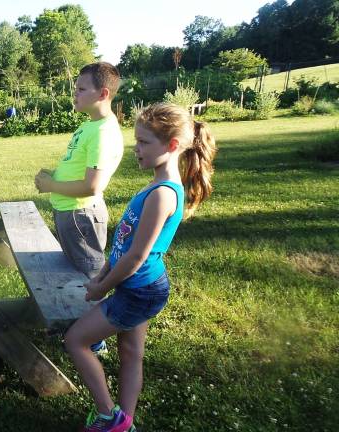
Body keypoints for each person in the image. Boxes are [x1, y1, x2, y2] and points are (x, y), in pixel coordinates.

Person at [65, 102, 217, 432]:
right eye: (137, 140)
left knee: (76, 340)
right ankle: (126, 423)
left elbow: (135, 258)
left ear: (172, 145)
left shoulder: (163, 194)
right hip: (142, 287)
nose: (137, 148)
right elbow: (123, 247)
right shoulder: (157, 185)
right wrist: (105, 271)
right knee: (131, 352)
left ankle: (109, 417)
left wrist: (101, 287)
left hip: (138, 290)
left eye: (145, 142)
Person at [34, 62, 124, 355]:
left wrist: (50, 186)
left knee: (89, 277)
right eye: (76, 89)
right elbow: (79, 173)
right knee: (76, 272)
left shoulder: (102, 133)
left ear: (103, 93)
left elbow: (91, 186)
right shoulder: (90, 125)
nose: (75, 94)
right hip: (71, 213)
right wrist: (55, 176)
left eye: (82, 89)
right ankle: (80, 326)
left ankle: (95, 340)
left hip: (80, 214)